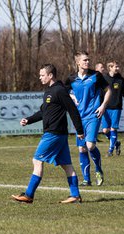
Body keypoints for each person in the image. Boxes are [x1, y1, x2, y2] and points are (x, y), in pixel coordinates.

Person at [11, 64, 85, 204]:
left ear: (50, 75)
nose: (40, 78)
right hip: (58, 134)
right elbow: (43, 112)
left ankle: (29, 195)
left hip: (54, 133)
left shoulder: (59, 90)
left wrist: (80, 130)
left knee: (37, 160)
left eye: (42, 75)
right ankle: (75, 195)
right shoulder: (49, 91)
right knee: (66, 165)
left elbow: (73, 110)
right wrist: (29, 120)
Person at [65, 51, 112, 186]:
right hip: (79, 117)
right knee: (82, 149)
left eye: (88, 60)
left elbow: (108, 90)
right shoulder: (71, 78)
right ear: (78, 62)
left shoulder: (96, 75)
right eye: (84, 60)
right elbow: (64, 91)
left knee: (90, 145)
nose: (87, 62)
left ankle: (98, 169)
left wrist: (103, 106)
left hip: (93, 115)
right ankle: (87, 180)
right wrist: (72, 97)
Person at [101, 60, 124, 157]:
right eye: (116, 67)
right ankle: (116, 143)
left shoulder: (121, 80)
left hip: (116, 107)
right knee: (105, 130)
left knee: (113, 128)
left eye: (118, 66)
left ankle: (110, 151)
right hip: (105, 108)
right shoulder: (103, 79)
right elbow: (100, 93)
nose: (118, 68)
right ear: (110, 67)